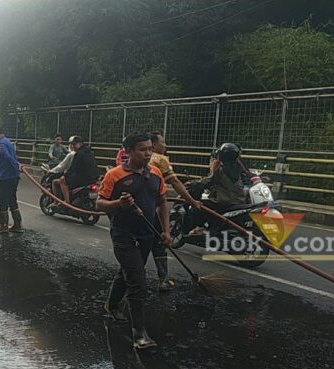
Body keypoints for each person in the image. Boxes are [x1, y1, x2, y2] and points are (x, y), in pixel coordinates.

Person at [98, 132, 171, 349]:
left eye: (150, 148)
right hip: (123, 235)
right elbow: (100, 204)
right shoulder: (114, 175)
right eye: (142, 149)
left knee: (128, 272)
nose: (148, 153)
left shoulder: (156, 173)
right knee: (138, 281)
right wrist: (118, 204)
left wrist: (166, 231)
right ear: (128, 151)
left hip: (147, 234)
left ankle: (111, 305)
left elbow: (163, 203)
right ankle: (140, 334)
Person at [149, 131, 202, 291]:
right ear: (153, 144)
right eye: (162, 142)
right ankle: (163, 279)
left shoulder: (140, 158)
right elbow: (175, 182)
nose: (165, 145)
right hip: (151, 205)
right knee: (158, 243)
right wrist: (192, 201)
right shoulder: (160, 159)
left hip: (141, 205)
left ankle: (131, 278)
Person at [190, 143, 247, 233]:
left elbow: (208, 181)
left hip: (224, 202)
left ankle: (200, 227)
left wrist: (192, 183)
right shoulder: (238, 168)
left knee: (198, 206)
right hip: (239, 201)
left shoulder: (221, 170)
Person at [0, 125, 24, 234]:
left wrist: (15, 165)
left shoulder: (1, 143)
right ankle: (18, 224)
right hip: (13, 175)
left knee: (2, 200)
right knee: (12, 199)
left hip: (6, 176)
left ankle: (3, 226)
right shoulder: (8, 141)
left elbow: (6, 157)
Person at [55, 136, 99, 207]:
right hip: (93, 178)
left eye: (74, 144)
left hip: (83, 179)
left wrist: (65, 176)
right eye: (72, 145)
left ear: (80, 144)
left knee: (62, 181)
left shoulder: (79, 154)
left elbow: (73, 167)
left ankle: (66, 201)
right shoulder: (90, 152)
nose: (73, 146)